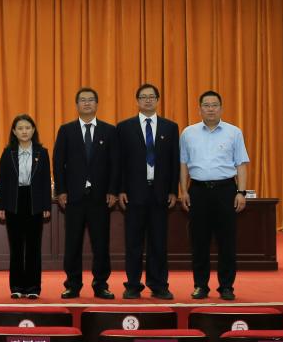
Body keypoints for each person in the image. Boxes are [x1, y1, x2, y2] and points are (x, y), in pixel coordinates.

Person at [179, 90, 250, 301]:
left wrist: (241, 192)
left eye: (214, 105)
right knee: (199, 241)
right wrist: (184, 191)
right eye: (206, 105)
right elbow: (183, 164)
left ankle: (226, 286)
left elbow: (241, 164)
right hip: (198, 191)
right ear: (199, 109)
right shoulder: (188, 133)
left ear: (221, 108)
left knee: (226, 241)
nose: (210, 109)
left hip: (226, 191)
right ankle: (200, 285)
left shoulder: (234, 132)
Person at [53, 87, 119, 300]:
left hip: (100, 198)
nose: (87, 103)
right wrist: (61, 191)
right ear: (77, 105)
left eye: (91, 100)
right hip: (73, 197)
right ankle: (72, 285)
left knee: (101, 244)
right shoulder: (66, 130)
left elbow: (115, 164)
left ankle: (101, 284)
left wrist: (112, 190)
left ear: (97, 104)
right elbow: (58, 162)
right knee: (72, 243)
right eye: (83, 100)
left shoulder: (109, 131)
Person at [116, 83, 179, 300]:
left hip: (160, 194)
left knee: (158, 242)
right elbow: (119, 162)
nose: (148, 100)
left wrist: (173, 190)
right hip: (134, 194)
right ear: (137, 101)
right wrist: (121, 189)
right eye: (143, 97)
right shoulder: (124, 127)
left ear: (158, 100)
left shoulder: (170, 127)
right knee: (133, 243)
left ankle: (159, 285)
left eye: (152, 96)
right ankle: (133, 285)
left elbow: (174, 162)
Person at [0, 114, 52, 299]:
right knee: (17, 246)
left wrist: (46, 205)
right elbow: (3, 182)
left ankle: (34, 287)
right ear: (14, 131)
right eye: (20, 128)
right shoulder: (8, 153)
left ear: (33, 130)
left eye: (27, 128)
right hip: (14, 201)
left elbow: (45, 181)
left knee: (34, 246)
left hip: (35, 202)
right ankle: (17, 286)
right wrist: (1, 206)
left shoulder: (42, 153)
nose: (24, 131)